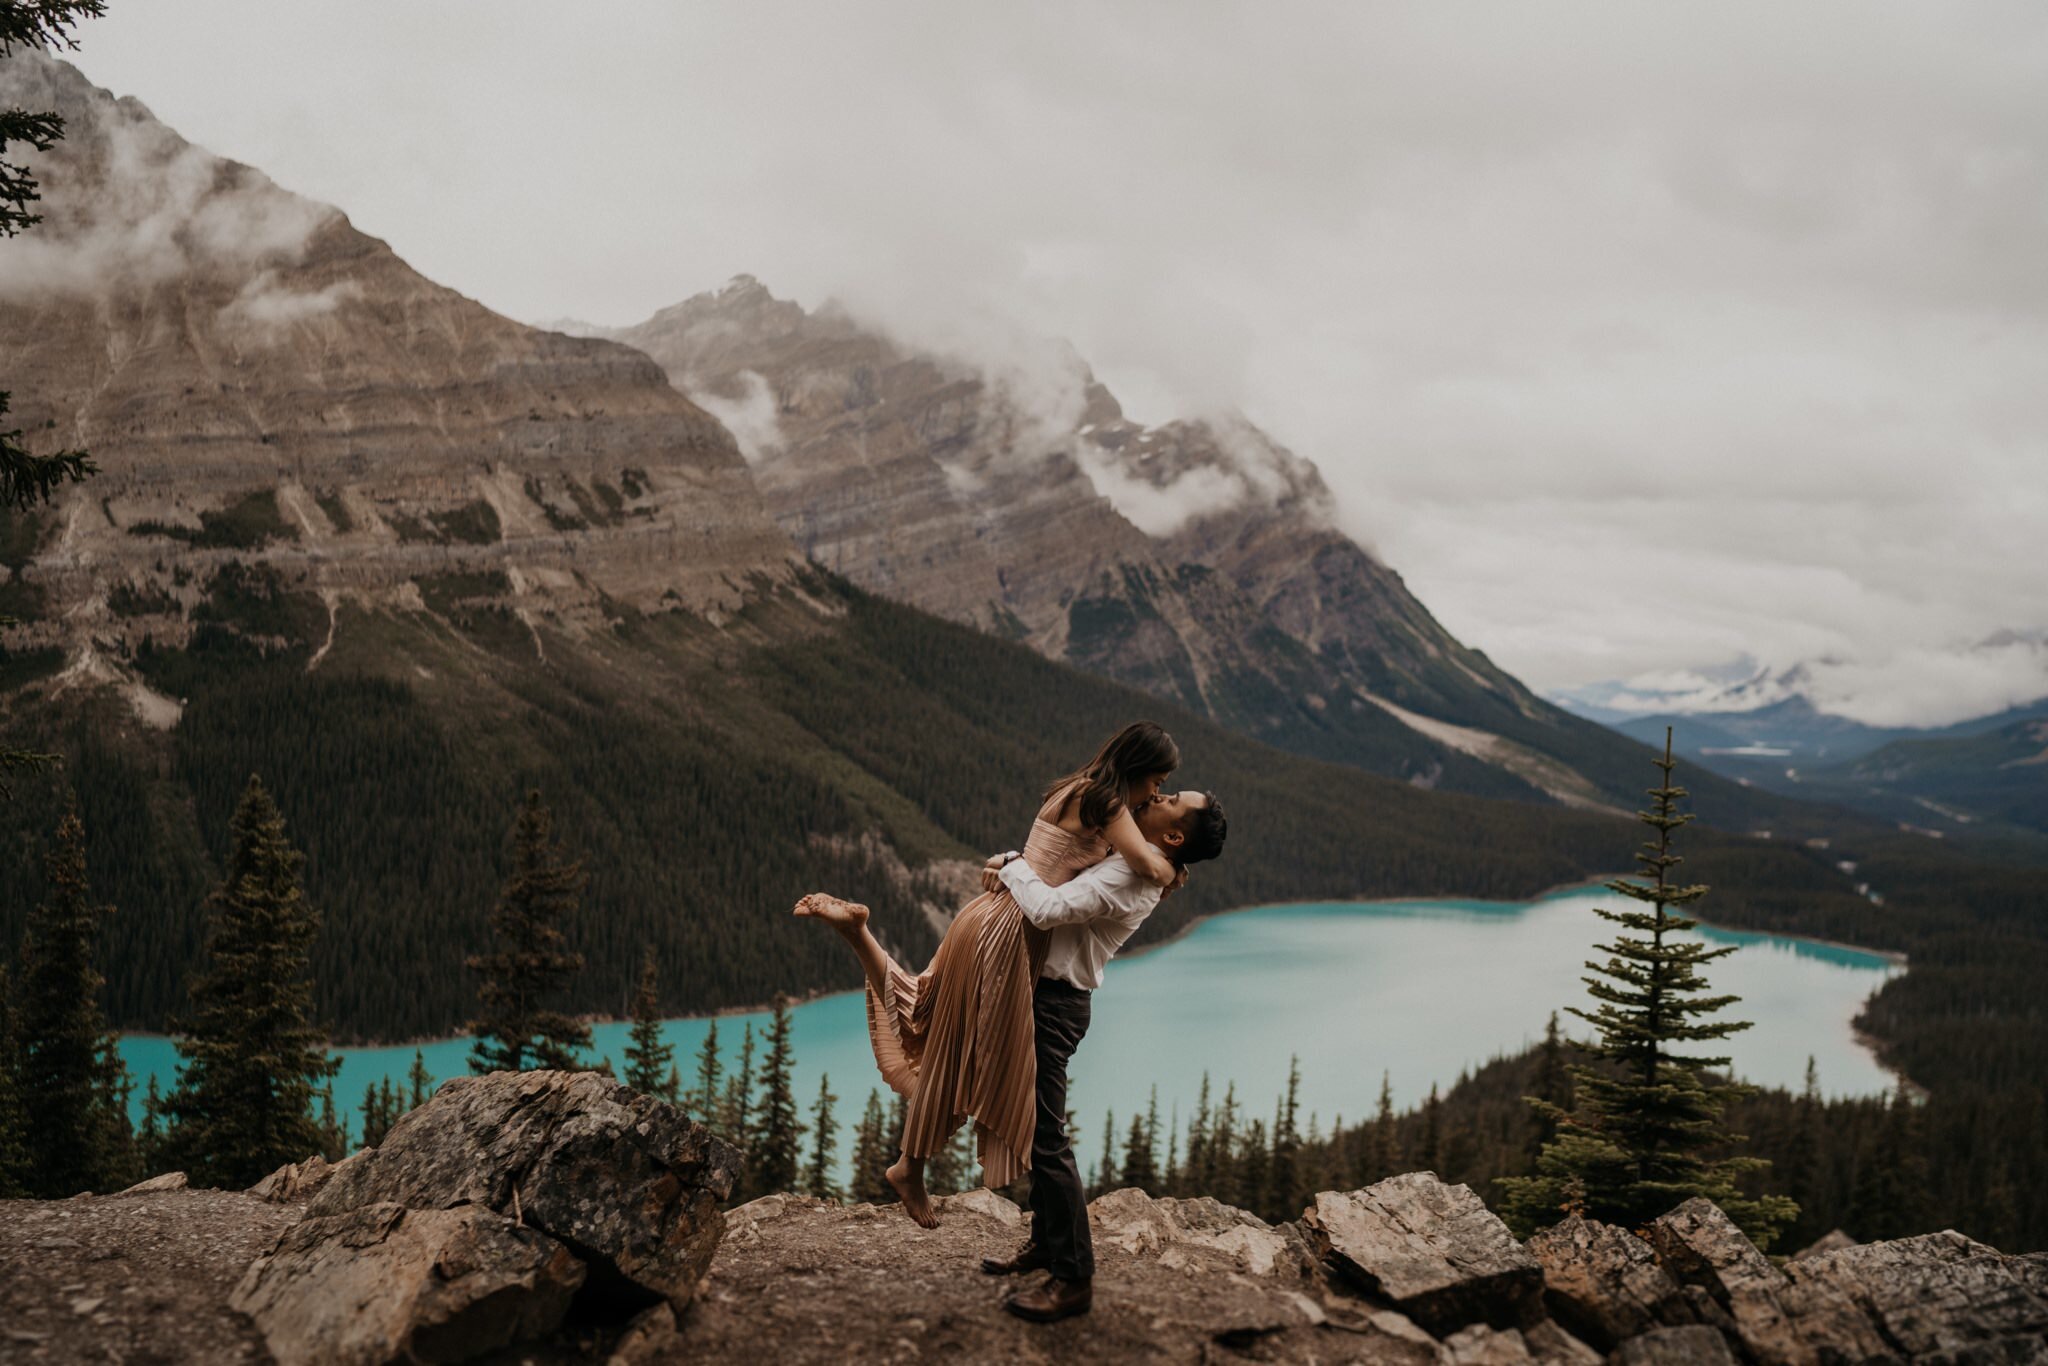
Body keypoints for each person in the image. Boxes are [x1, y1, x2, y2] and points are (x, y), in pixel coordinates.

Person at [793, 722, 1184, 1227]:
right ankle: (910, 1167)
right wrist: (1174, 870)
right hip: (1011, 932)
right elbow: (1148, 868)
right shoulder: (1106, 803)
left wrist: (1007, 862)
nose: (1158, 791)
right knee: (959, 1054)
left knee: (936, 1022)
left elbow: (1047, 857)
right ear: (1139, 767)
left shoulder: (1076, 787)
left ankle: (859, 936)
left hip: (986, 913)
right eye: (1159, 780)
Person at [983, 786, 1228, 1324]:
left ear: (1173, 835)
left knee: (1046, 1140)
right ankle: (1046, 1245)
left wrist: (1011, 864)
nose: (1158, 794)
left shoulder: (1131, 874)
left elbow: (1047, 910)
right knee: (1033, 1131)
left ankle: (1074, 1280)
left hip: (1055, 1005)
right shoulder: (1139, 859)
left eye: (1171, 799)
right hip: (1050, 999)